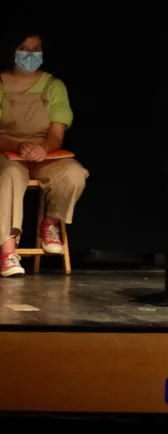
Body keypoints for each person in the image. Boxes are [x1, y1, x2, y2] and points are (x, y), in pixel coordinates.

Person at [0, 33, 89, 277]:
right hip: (6, 152)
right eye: (24, 48)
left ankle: (50, 223)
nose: (30, 54)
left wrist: (43, 149)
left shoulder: (53, 86)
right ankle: (7, 251)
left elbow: (56, 134)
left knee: (74, 173)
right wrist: (17, 146)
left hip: (42, 153)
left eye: (36, 49)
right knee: (10, 175)